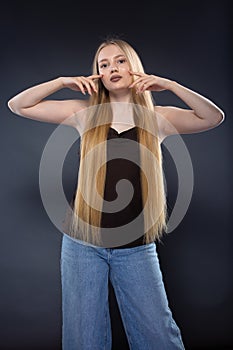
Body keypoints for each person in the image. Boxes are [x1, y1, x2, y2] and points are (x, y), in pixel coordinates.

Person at [8, 38, 224, 350]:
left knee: (158, 338)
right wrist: (60, 82)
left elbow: (213, 117)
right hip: (82, 244)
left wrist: (172, 85)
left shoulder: (157, 117)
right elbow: (18, 105)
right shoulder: (84, 114)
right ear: (97, 74)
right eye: (104, 64)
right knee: (84, 340)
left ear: (134, 67)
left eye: (120, 61)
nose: (112, 69)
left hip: (135, 247)